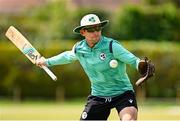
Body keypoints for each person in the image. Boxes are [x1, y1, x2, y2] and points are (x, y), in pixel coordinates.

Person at [36, 14, 155, 120]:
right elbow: (67, 56)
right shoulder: (79, 49)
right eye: (91, 29)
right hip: (98, 95)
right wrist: (46, 62)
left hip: (123, 93)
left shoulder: (111, 46)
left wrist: (140, 65)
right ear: (83, 32)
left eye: (98, 28)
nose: (96, 32)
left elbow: (134, 60)